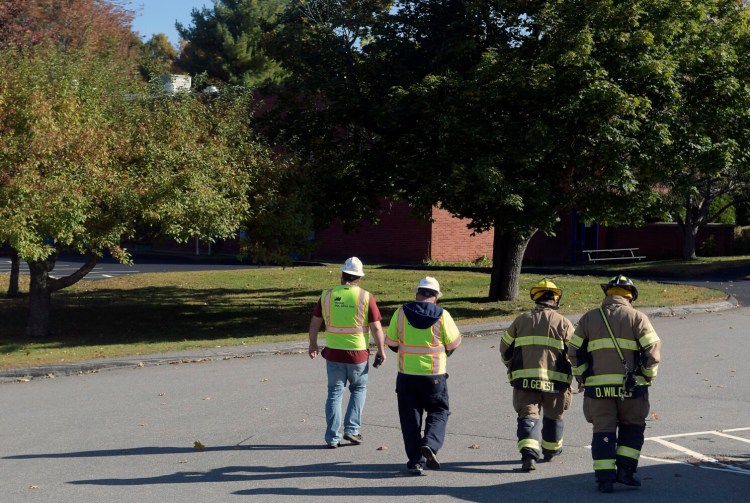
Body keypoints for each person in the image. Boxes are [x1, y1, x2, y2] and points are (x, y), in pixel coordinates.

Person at [568, 274, 661, 493]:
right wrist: (647, 375)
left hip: (598, 389)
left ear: (608, 293)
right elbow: (653, 351)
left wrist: (582, 377)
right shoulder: (638, 318)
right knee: (632, 427)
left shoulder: (589, 318)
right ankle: (626, 473)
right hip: (632, 388)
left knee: (603, 431)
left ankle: (604, 479)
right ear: (630, 296)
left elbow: (574, 351)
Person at [308, 257, 387, 449]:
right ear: (359, 277)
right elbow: (376, 328)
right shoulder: (365, 296)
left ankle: (332, 437)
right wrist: (381, 350)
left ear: (342, 274)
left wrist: (313, 344)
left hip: (334, 353)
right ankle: (351, 429)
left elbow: (315, 322)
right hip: (358, 354)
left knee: (334, 394)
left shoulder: (326, 295)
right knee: (358, 390)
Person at [386, 276, 462, 475]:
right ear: (436, 297)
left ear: (417, 294)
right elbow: (453, 344)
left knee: (410, 419)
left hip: (406, 375)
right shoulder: (443, 315)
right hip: (434, 376)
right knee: (438, 411)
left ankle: (415, 461)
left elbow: (392, 343)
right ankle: (430, 444)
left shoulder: (401, 312)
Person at [500, 279, 575, 473]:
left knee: (528, 414)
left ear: (537, 298)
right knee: (554, 416)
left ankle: (529, 455)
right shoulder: (564, 323)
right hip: (556, 382)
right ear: (555, 300)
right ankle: (550, 451)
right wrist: (580, 377)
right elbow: (575, 353)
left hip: (525, 380)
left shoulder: (521, 319)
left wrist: (512, 366)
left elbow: (505, 349)